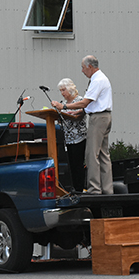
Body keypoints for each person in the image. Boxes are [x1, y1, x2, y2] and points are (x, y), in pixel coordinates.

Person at [52, 55, 113, 194]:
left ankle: (94, 189)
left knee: (92, 155)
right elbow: (91, 104)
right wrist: (80, 111)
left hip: (98, 119)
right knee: (103, 155)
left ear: (90, 67)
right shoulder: (102, 78)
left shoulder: (97, 80)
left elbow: (85, 102)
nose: (82, 71)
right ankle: (107, 190)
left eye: (83, 68)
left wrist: (64, 107)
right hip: (105, 116)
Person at [57, 78, 87, 192]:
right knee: (69, 166)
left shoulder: (80, 100)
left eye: (63, 90)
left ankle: (79, 188)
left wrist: (69, 114)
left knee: (77, 164)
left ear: (70, 88)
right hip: (67, 139)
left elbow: (80, 115)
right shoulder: (62, 103)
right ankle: (71, 188)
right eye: (60, 91)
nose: (62, 93)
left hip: (79, 138)